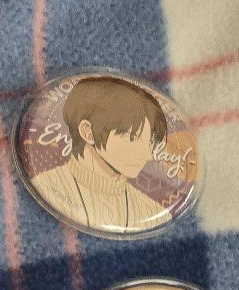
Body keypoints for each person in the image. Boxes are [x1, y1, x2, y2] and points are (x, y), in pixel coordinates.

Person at [29, 76, 169, 233]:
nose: (148, 155)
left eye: (150, 142)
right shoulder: (45, 183)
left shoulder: (153, 211)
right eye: (131, 137)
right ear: (88, 132)